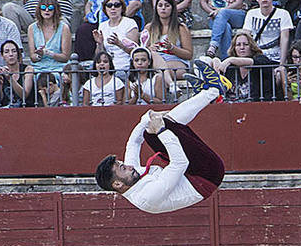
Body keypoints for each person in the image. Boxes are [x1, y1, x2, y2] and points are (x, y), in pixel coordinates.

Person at [94, 71, 229, 215]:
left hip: (189, 171)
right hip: (208, 175)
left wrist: (148, 118)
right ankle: (214, 90)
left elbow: (134, 142)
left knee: (149, 133)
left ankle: (206, 93)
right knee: (165, 126)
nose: (128, 166)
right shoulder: (146, 197)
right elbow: (180, 163)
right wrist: (161, 130)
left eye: (123, 164)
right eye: (123, 168)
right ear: (118, 184)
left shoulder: (130, 176)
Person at [27, 0, 72, 105]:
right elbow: (32, 57)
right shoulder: (32, 28)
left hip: (58, 66)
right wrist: (39, 55)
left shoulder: (64, 28)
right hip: (39, 67)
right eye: (43, 7)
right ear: (39, 9)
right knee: (32, 77)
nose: (46, 10)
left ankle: (58, 104)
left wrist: (49, 53)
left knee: (56, 77)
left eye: (50, 8)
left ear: (55, 9)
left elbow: (65, 57)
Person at [215, 28, 279, 101]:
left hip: (257, 104)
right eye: (238, 45)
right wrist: (215, 60)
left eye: (246, 44)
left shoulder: (261, 59)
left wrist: (231, 60)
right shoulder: (230, 65)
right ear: (234, 48)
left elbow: (256, 62)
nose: (242, 47)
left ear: (251, 46)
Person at [143, 0, 194, 82]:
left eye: (167, 6)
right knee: (156, 66)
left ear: (172, 9)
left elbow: (189, 55)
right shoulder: (149, 28)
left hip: (175, 62)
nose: (163, 8)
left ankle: (168, 83)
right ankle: (171, 85)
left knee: (161, 72)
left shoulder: (181, 28)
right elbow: (142, 50)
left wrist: (172, 48)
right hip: (155, 62)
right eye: (160, 5)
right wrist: (149, 49)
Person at [91, 0, 140, 75]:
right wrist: (100, 43)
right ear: (105, 9)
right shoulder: (102, 25)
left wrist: (119, 44)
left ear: (122, 8)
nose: (113, 8)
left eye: (117, 5)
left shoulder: (130, 23)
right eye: (109, 5)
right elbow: (99, 55)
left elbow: (136, 53)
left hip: (125, 67)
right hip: (107, 68)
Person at [0, 39, 35, 108]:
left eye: (14, 51)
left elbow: (25, 95)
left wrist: (10, 79)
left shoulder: (28, 69)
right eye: (6, 52)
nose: (11, 54)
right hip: (6, 110)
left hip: (26, 109)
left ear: (18, 54)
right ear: (2, 56)